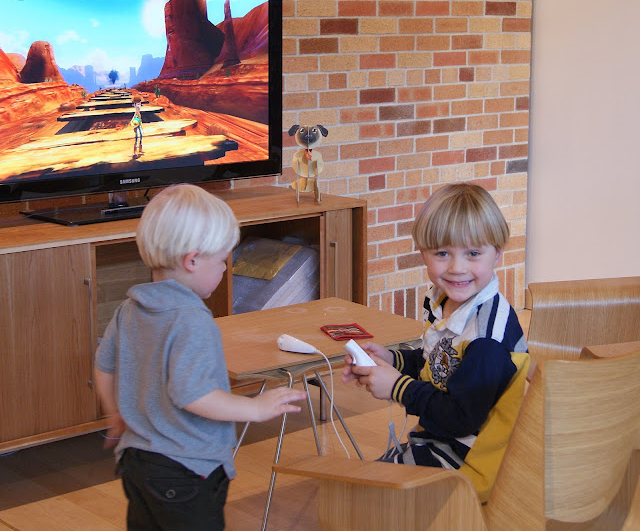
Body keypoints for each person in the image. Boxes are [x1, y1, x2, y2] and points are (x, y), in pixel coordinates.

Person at [94, 184, 306, 531]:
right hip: (187, 470)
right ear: (191, 261)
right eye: (222, 260)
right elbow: (193, 394)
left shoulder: (129, 309)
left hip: (136, 462)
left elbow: (104, 366)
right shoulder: (192, 319)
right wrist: (254, 408)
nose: (225, 269)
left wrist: (114, 414)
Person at [343, 182, 529, 502]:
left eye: (473, 254)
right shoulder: (444, 301)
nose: (457, 268)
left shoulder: (487, 338)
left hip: (472, 464)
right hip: (442, 442)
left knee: (358, 497)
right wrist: (393, 359)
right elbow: (440, 362)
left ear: (498, 253)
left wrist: (398, 387)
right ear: (423, 254)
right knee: (357, 488)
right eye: (442, 253)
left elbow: (460, 418)